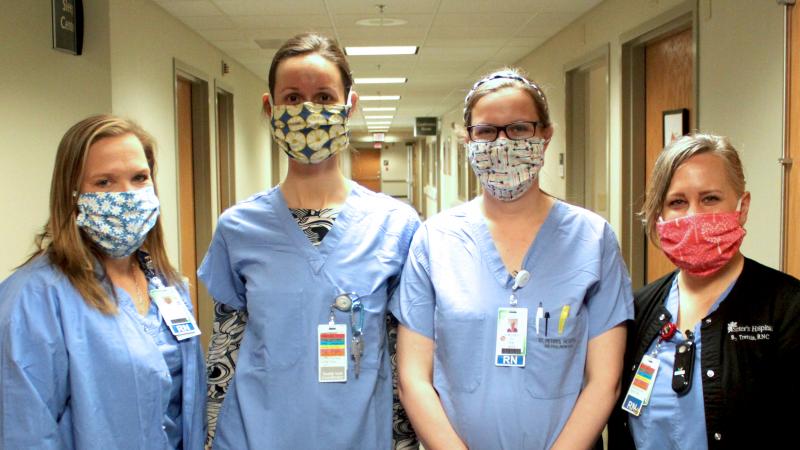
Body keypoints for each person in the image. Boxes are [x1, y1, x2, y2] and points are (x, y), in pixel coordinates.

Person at [198, 32, 420, 449]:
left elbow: (403, 359)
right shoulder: (239, 228)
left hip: (361, 435)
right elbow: (225, 347)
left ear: (348, 107)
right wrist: (211, 435)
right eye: (293, 98)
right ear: (270, 108)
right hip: (258, 435)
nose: (307, 111)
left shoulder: (395, 226)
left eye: (323, 97)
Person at [392, 67, 633, 450]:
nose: (502, 144)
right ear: (468, 140)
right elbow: (413, 378)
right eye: (487, 131)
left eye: (519, 129)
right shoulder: (435, 240)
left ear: (545, 135)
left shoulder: (592, 238)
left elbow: (605, 381)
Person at [0, 115, 206, 449]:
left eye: (139, 178)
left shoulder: (168, 286)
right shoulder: (33, 299)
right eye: (104, 183)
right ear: (72, 194)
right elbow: (23, 432)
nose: (127, 195)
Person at [607, 134, 800, 449]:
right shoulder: (639, 310)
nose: (693, 215)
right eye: (677, 202)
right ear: (659, 217)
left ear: (742, 207)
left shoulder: (787, 309)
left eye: (710, 198)